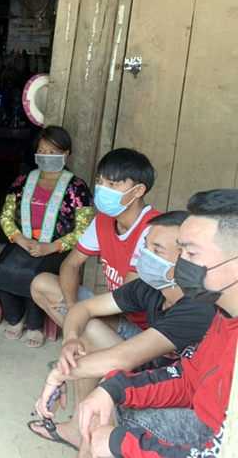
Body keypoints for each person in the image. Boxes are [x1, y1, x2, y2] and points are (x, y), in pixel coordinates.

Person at [30, 211, 216, 454]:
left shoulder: (198, 307)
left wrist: (61, 373)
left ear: (186, 258)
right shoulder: (152, 286)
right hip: (160, 373)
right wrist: (71, 340)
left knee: (105, 396)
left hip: (186, 398)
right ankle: (78, 429)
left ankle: (85, 440)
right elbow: (84, 308)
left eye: (156, 250)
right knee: (89, 331)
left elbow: (125, 359)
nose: (145, 256)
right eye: (146, 246)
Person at [77, 190, 238, 458]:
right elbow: (188, 379)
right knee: (105, 408)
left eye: (191, 253)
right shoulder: (223, 316)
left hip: (223, 442)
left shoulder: (205, 311)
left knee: (112, 439)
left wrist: (122, 445)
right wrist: (113, 389)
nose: (179, 265)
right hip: (206, 423)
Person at [31, 148, 161, 333]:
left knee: (89, 322)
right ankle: (86, 343)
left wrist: (82, 312)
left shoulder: (153, 230)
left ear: (138, 190)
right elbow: (71, 264)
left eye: (113, 184)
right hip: (114, 312)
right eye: (100, 181)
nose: (102, 189)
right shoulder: (104, 219)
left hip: (144, 330)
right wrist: (71, 304)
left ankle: (90, 347)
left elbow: (127, 300)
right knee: (41, 283)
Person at [0, 126, 94, 347]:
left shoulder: (77, 188)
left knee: (37, 274)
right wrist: (20, 239)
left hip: (56, 247)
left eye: (53, 152)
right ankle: (15, 317)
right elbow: (6, 216)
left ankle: (34, 324)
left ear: (66, 153)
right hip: (23, 241)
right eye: (42, 151)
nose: (47, 157)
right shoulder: (22, 181)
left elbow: (83, 229)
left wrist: (51, 247)